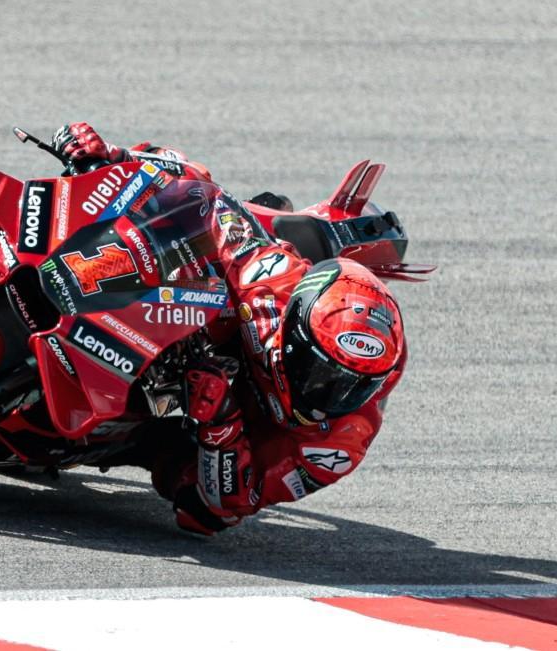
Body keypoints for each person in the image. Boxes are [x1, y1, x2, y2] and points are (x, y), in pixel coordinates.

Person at [51, 122, 408, 535]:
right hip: (212, 323)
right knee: (191, 210)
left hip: (235, 424)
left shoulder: (339, 443)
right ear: (294, 335)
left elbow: (235, 502)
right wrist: (111, 158)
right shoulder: (272, 282)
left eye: (354, 387)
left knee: (199, 511)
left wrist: (222, 423)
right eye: (324, 376)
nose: (334, 396)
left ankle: (113, 435)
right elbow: (211, 199)